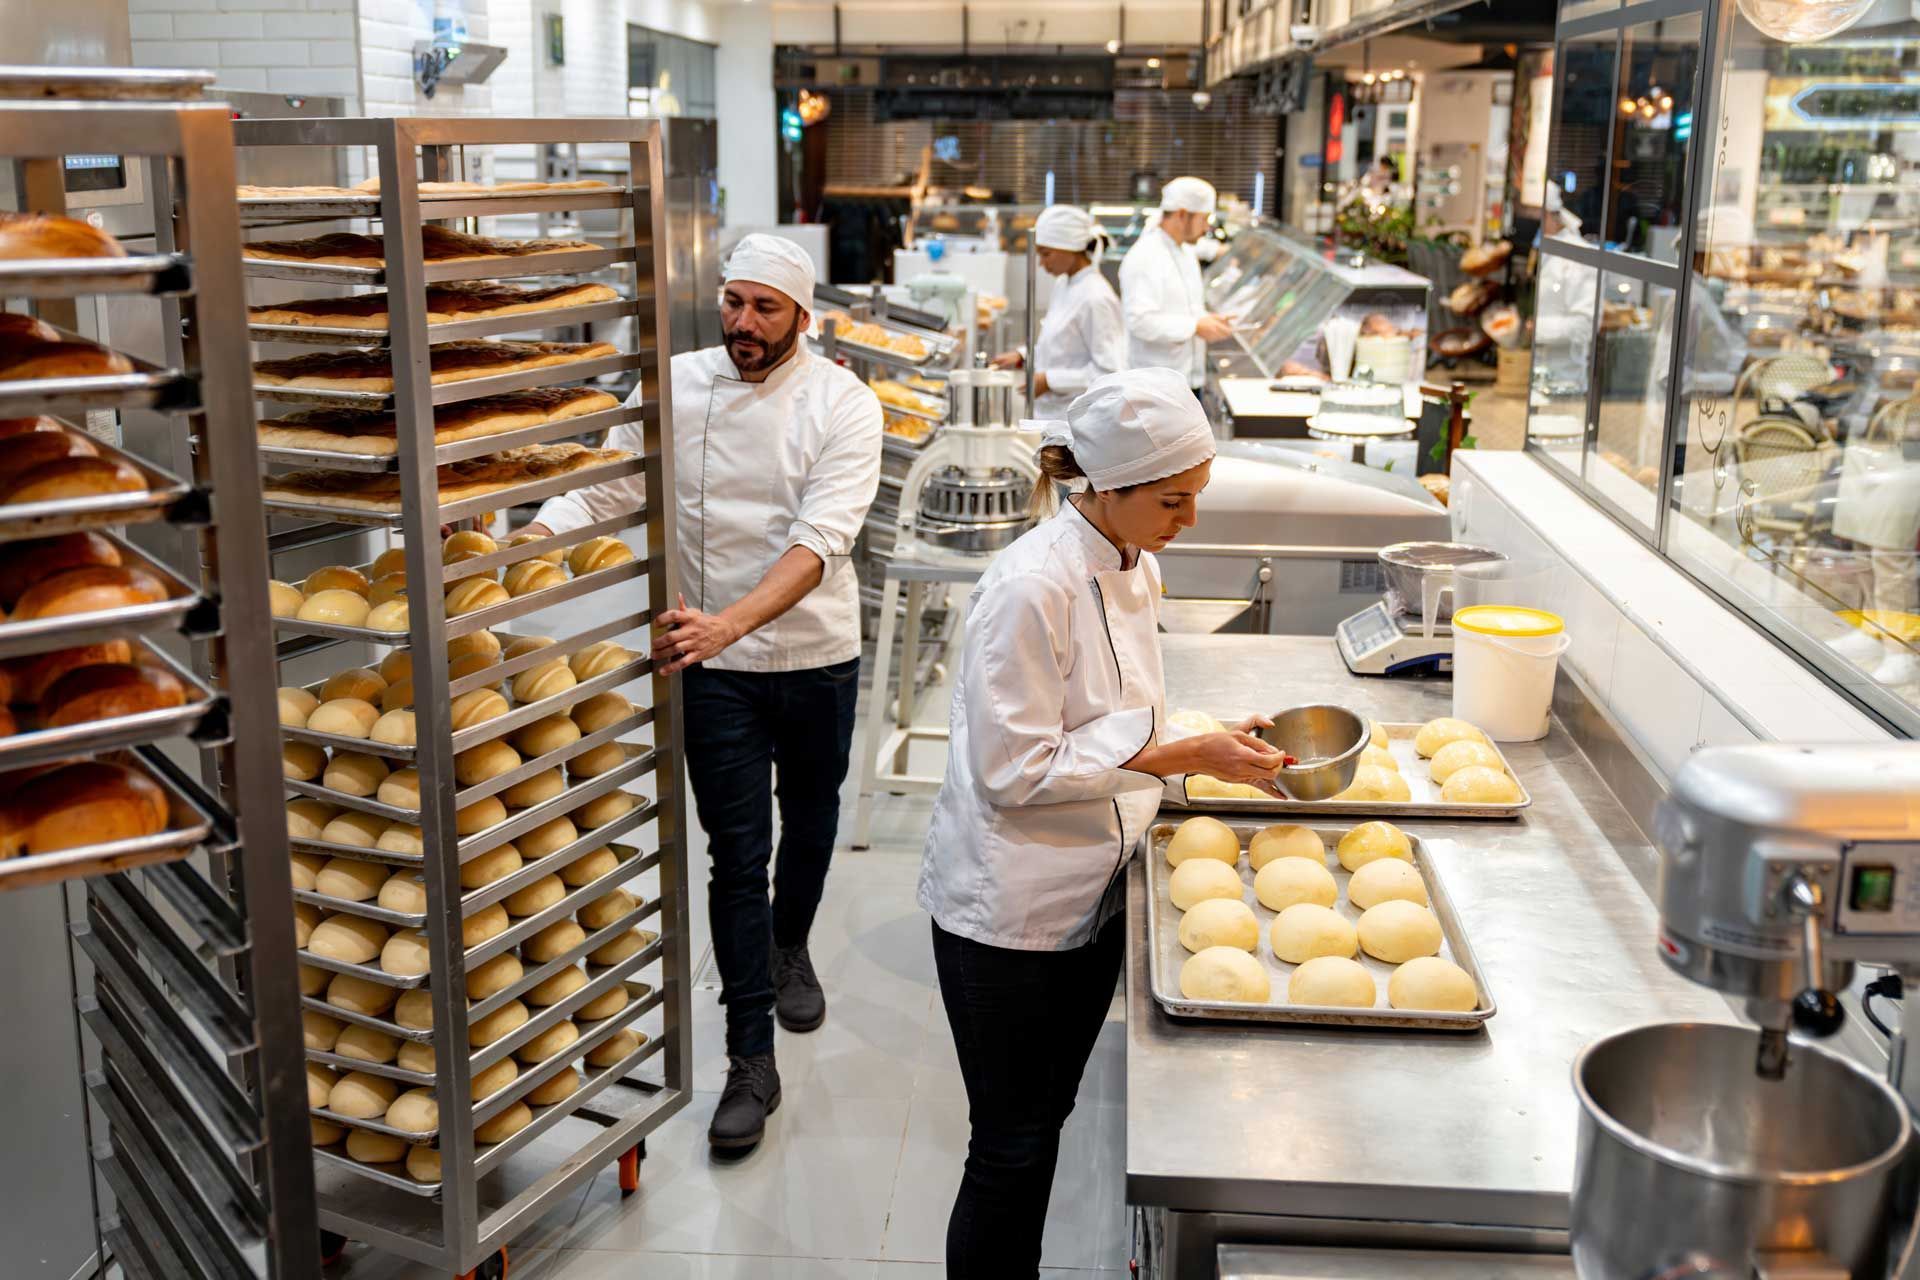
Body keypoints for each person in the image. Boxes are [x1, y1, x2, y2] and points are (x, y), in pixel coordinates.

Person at [917, 368, 1286, 1277]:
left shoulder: (1137, 565)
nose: (1187, 520)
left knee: (1045, 1124)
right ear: (1105, 488)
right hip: (1009, 914)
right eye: (1172, 500)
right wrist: (1178, 756)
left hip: (1098, 890)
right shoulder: (1029, 587)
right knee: (1008, 1147)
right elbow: (1012, 770)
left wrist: (1203, 736)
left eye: (1196, 497)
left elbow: (1124, 718)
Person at [520, 234, 883, 1152]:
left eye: (765, 309)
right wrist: (520, 547)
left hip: (813, 655)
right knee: (733, 855)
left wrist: (733, 621)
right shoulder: (675, 384)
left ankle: (790, 942)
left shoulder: (844, 403)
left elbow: (820, 540)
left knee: (811, 821)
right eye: (733, 304)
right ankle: (749, 1063)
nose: (743, 325)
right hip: (711, 667)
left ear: (803, 317)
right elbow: (603, 494)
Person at [990, 204, 1126, 419]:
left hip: (1077, 422)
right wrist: (1023, 356)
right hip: (1051, 417)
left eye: (1046, 254)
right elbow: (1062, 344)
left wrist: (1049, 381)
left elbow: (1110, 373)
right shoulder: (1064, 283)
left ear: (1071, 247)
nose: (1042, 264)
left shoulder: (1096, 298)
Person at [1119, 177, 1237, 392]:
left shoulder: (1183, 249)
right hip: (1156, 389)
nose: (1206, 227)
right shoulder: (1146, 256)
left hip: (1186, 382)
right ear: (1182, 214)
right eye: (1204, 219)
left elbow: (1186, 308)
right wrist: (1195, 326)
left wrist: (1205, 320)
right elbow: (1139, 321)